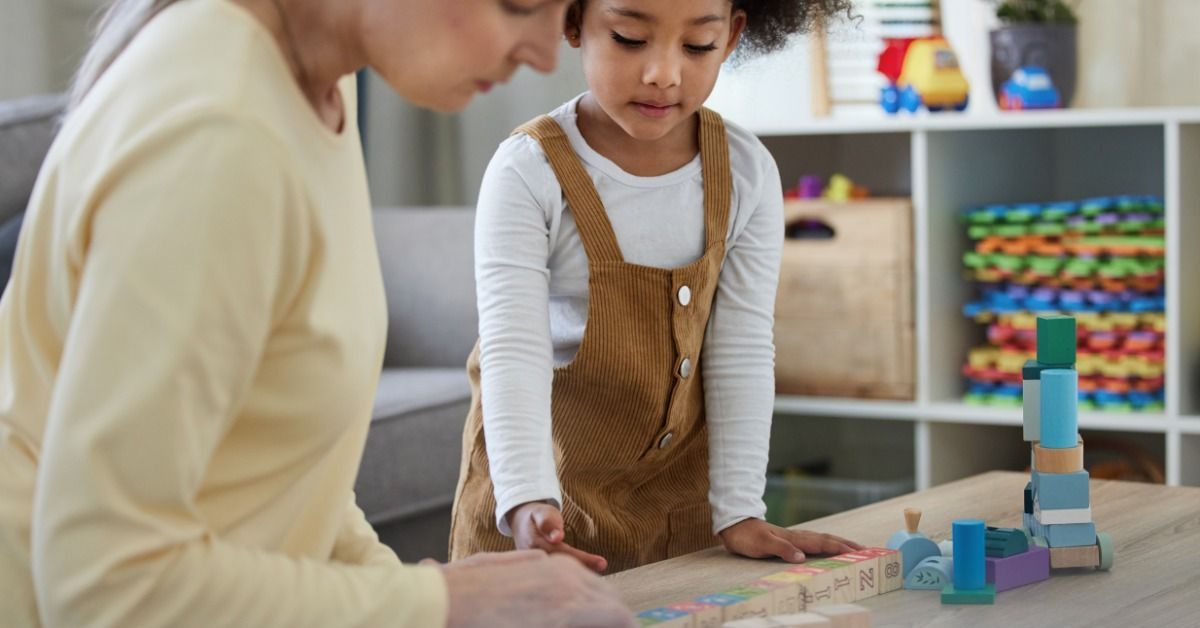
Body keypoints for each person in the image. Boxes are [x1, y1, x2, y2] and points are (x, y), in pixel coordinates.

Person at [0, 0, 634, 626]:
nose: (548, 52)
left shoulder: (314, 81)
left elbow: (286, 471)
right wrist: (443, 605)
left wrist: (417, 595)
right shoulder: (219, 134)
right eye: (518, 4)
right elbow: (104, 584)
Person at [450, 0, 863, 574]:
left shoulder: (745, 170)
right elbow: (512, 351)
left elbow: (741, 348)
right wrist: (525, 500)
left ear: (734, 35)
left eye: (697, 46)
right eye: (628, 38)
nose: (663, 74)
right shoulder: (528, 171)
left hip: (678, 510)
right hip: (536, 509)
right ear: (572, 21)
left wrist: (740, 509)